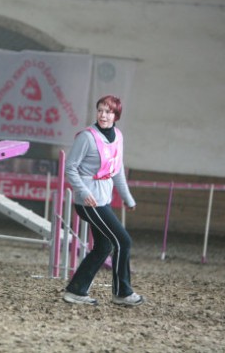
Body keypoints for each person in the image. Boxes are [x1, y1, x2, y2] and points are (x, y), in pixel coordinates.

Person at [62, 95, 142, 306]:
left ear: (116, 115)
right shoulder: (87, 137)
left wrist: (128, 198)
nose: (103, 115)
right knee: (123, 241)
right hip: (88, 201)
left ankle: (76, 291)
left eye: (108, 112)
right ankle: (122, 293)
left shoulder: (118, 136)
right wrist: (82, 190)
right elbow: (70, 167)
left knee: (104, 246)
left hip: (102, 199)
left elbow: (117, 171)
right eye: (100, 110)